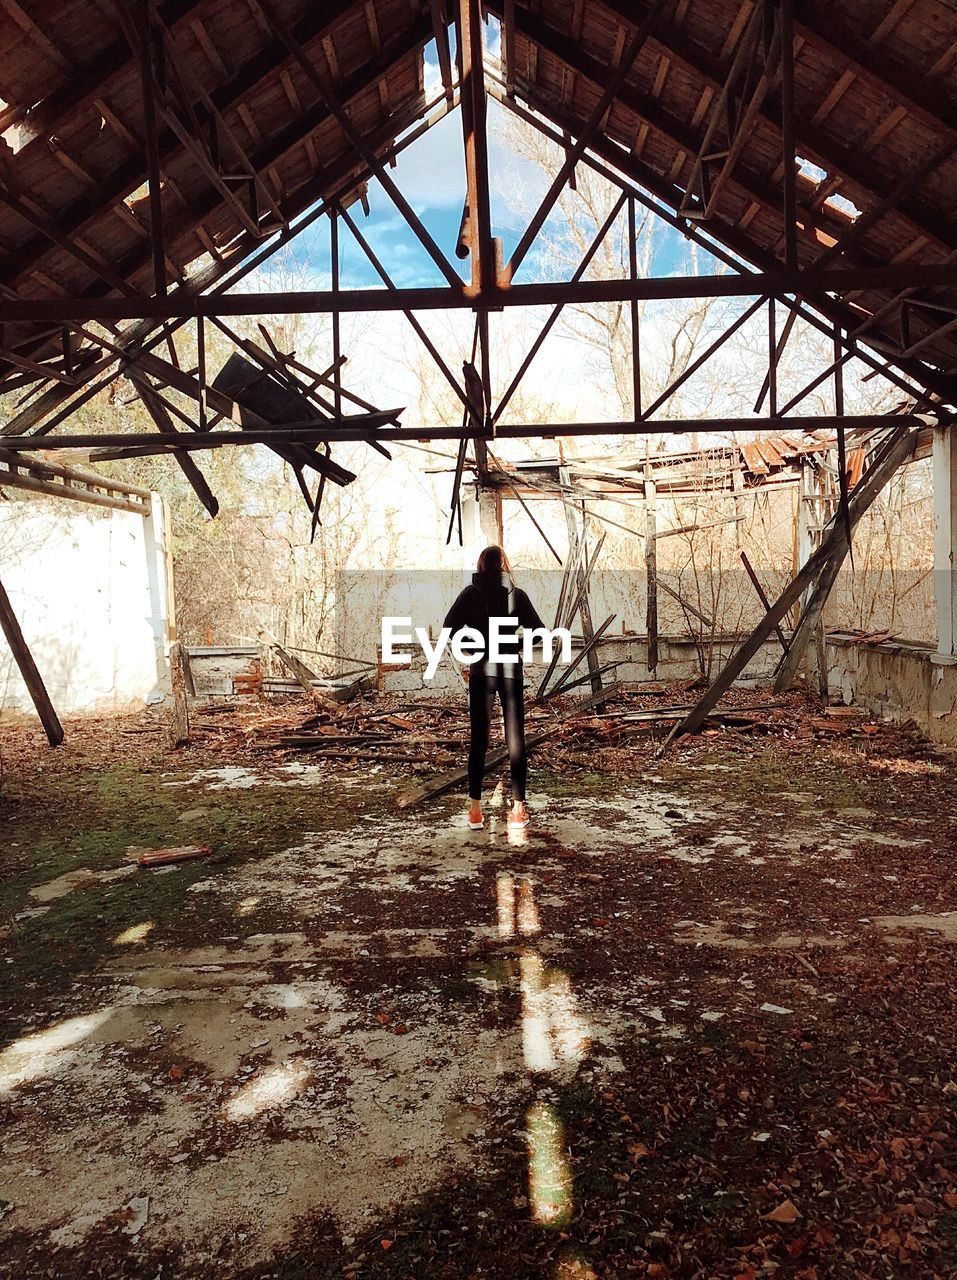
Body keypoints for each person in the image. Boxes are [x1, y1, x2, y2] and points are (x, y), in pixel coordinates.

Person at [443, 545, 545, 830]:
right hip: (510, 670)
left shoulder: (469, 594)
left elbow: (448, 629)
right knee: (516, 740)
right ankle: (517, 812)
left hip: (481, 672)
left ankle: (475, 812)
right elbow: (540, 634)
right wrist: (515, 645)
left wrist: (473, 646)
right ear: (503, 566)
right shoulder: (517, 594)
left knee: (479, 740)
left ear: (481, 566)